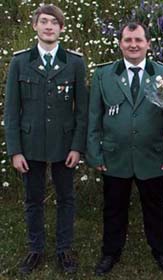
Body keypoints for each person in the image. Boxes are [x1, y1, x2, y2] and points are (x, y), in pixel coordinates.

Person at [86, 22, 163, 276]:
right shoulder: (103, 75)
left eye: (138, 40)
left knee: (156, 208)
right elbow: (94, 116)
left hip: (153, 156)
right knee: (113, 208)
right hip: (115, 156)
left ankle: (162, 252)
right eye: (128, 40)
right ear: (120, 44)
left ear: (148, 44)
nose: (133, 45)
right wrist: (94, 153)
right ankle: (110, 253)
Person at [4, 4, 88, 274]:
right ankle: (35, 249)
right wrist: (15, 151)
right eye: (44, 21)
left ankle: (64, 249)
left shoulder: (74, 62)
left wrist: (77, 146)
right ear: (35, 26)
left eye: (54, 22)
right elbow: (12, 111)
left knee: (66, 198)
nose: (49, 26)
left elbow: (82, 111)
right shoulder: (20, 61)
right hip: (31, 145)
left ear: (62, 28)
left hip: (64, 146)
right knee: (33, 199)